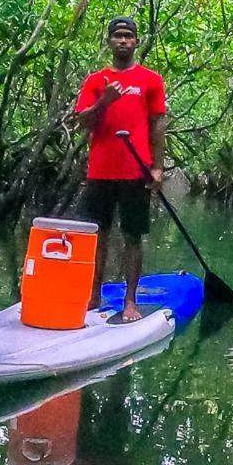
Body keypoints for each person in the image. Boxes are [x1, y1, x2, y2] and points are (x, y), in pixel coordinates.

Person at [75, 16, 167, 322]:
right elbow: (83, 122)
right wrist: (105, 100)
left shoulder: (151, 80)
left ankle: (130, 302)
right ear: (109, 41)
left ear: (136, 42)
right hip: (100, 171)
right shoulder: (95, 81)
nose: (123, 41)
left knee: (132, 236)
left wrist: (157, 168)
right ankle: (92, 296)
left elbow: (158, 125)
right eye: (118, 36)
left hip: (135, 170)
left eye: (129, 36)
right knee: (96, 236)